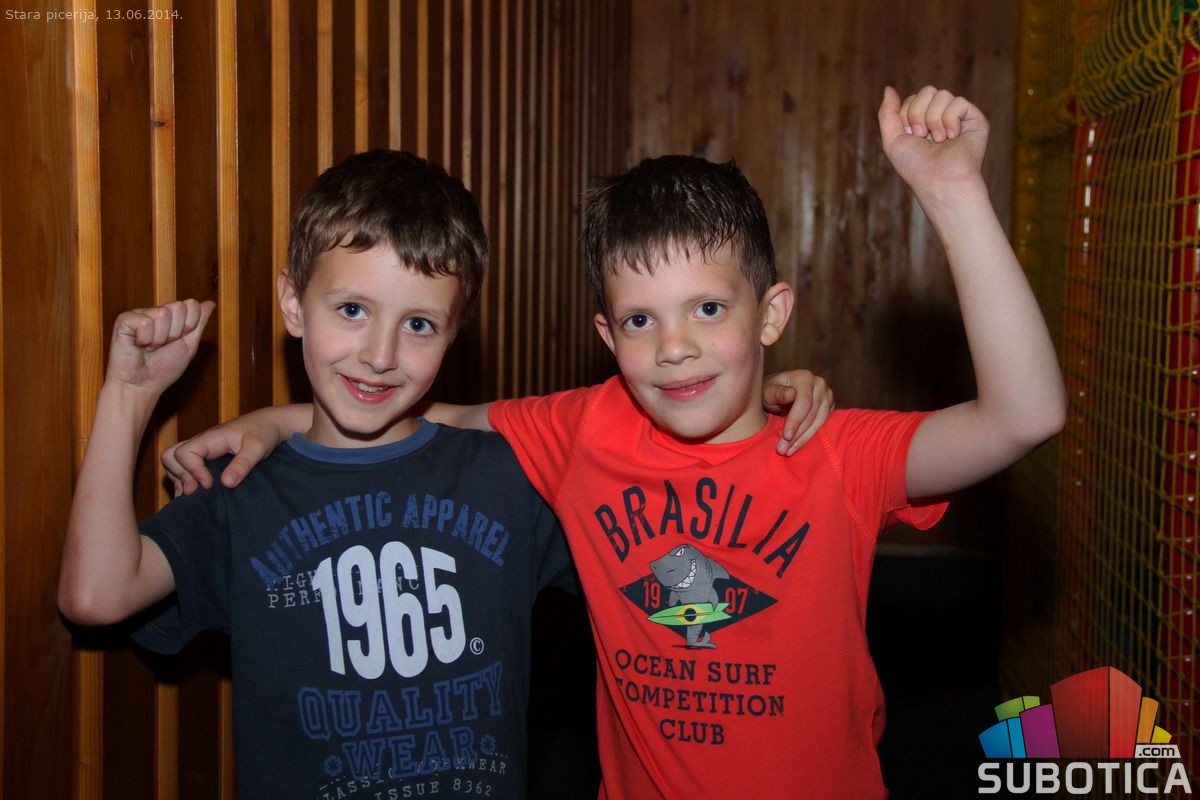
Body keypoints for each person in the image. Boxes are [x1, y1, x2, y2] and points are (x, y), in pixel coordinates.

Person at [163, 85, 1064, 798]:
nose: (674, 347)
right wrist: (278, 420)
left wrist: (953, 195)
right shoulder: (581, 427)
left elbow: (1024, 415)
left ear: (771, 314)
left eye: (707, 309)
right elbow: (414, 412)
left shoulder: (836, 453)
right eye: (640, 320)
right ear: (607, 337)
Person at [58, 150, 584, 799]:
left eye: (419, 324)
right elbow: (96, 596)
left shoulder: (507, 477)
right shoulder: (244, 485)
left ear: (454, 334)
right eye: (353, 310)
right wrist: (129, 396)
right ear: (293, 303)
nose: (380, 355)